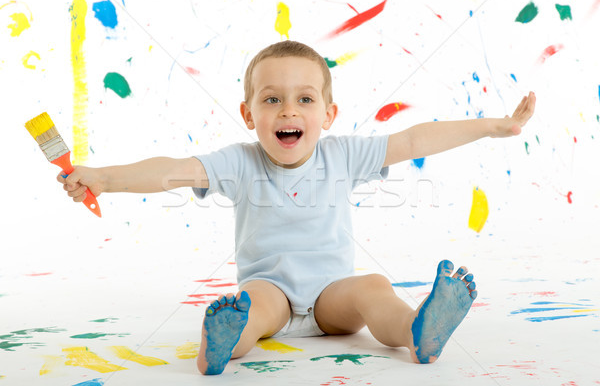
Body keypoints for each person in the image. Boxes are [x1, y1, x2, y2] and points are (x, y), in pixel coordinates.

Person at [58, 40, 536, 375]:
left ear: (327, 115)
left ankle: (418, 330)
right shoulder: (238, 162)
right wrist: (102, 178)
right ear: (249, 114)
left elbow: (414, 138)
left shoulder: (344, 154)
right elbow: (171, 169)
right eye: (272, 100)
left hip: (333, 296)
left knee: (373, 287)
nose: (288, 110)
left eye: (304, 99)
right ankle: (220, 345)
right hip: (273, 292)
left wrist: (494, 126)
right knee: (253, 308)